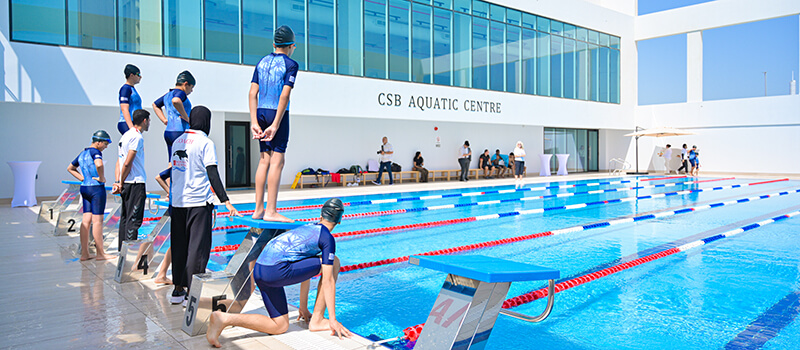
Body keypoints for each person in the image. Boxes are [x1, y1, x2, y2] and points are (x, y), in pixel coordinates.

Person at [206, 199, 351, 347]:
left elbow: (304, 269)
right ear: (339, 221)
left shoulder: (307, 227)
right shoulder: (327, 238)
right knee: (334, 263)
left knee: (280, 325)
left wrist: (303, 307)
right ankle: (318, 320)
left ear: (321, 215)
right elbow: (328, 280)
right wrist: (332, 319)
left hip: (260, 269)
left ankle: (223, 318)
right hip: (275, 271)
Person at [169, 106, 240, 304]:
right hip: (198, 202)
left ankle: (177, 290)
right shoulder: (205, 142)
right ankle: (192, 294)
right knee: (197, 249)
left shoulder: (177, 141)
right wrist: (226, 200)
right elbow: (212, 173)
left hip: (178, 202)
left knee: (179, 246)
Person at [250, 25, 298, 222]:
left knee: (264, 160)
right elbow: (284, 95)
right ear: (291, 46)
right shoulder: (291, 64)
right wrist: (276, 123)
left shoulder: (261, 62)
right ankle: (271, 211)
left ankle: (258, 209)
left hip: (260, 112)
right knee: (278, 161)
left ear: (274, 44)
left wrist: (254, 121)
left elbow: (253, 93)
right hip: (277, 112)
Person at [68, 130, 115, 261]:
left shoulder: (82, 153)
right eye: (105, 144)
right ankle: (101, 254)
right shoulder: (95, 152)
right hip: (96, 189)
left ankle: (85, 254)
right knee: (97, 222)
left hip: (85, 188)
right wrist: (101, 178)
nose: (106, 147)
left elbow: (70, 168)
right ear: (98, 142)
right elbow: (99, 164)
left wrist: (82, 179)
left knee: (86, 221)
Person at [113, 109, 150, 251]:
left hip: (126, 183)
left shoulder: (125, 136)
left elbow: (119, 161)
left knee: (125, 218)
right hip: (135, 183)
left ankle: (121, 252)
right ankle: (129, 253)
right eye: (149, 121)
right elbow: (127, 162)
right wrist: (121, 181)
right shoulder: (137, 137)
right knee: (134, 220)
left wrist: (118, 181)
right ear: (145, 121)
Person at [152, 70, 195, 186]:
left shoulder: (167, 95)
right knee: (183, 162)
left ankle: (170, 191)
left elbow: (155, 105)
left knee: (172, 161)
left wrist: (164, 120)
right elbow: (176, 101)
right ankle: (162, 177)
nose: (192, 91)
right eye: (191, 87)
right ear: (186, 84)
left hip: (169, 132)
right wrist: (187, 118)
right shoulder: (180, 93)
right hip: (180, 131)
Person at [118, 64, 142, 135]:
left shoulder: (132, 89)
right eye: (138, 74)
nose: (140, 77)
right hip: (127, 123)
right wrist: (131, 127)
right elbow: (124, 109)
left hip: (134, 123)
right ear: (131, 75)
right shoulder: (125, 89)